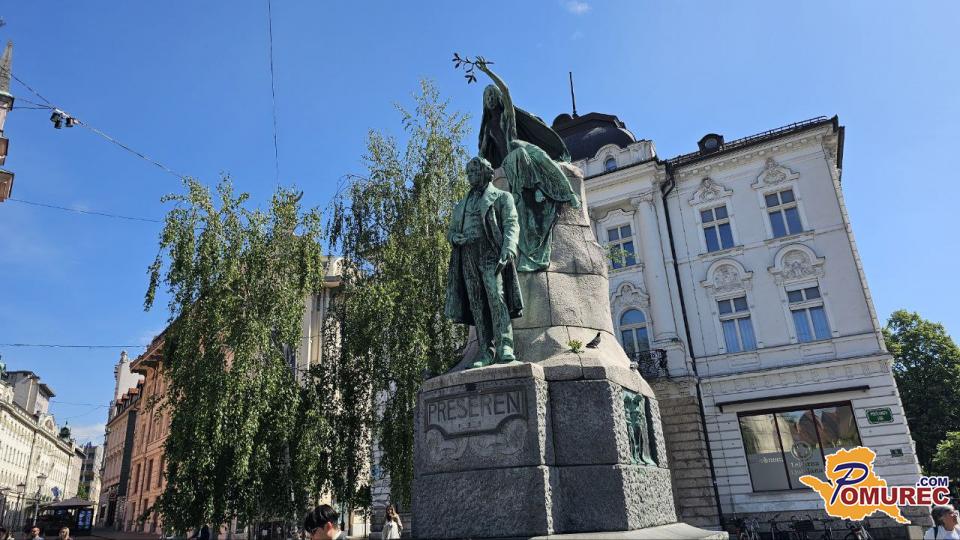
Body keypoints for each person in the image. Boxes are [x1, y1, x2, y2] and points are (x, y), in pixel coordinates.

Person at [474, 57, 580, 272]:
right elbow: (483, 153)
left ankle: (565, 193)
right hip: (509, 160)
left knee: (536, 154)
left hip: (518, 148)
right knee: (521, 153)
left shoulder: (507, 116)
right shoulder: (488, 127)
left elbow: (506, 90)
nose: (491, 99)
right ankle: (540, 188)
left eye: (493, 95)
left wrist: (488, 72)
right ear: (485, 102)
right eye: (488, 97)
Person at [445, 156, 524, 367]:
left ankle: (505, 345)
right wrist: (454, 238)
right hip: (467, 254)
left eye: (474, 172)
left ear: (486, 173)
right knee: (477, 303)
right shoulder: (461, 205)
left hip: (490, 252)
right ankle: (485, 351)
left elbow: (511, 223)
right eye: (468, 173)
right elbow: (451, 231)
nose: (470, 176)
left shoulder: (502, 197)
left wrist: (509, 247)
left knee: (497, 296)